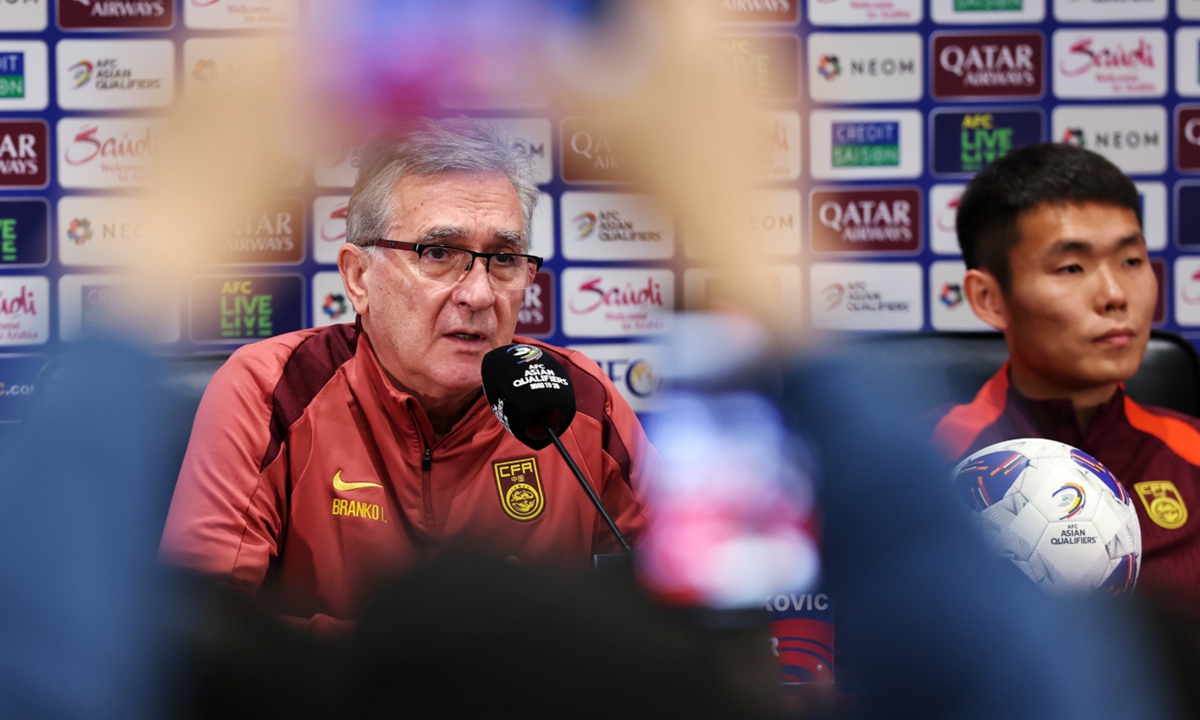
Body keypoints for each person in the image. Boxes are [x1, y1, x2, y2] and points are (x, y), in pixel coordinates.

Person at [160, 119, 653, 630]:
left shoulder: (575, 398)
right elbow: (201, 627)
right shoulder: (274, 390)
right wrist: (413, 662)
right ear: (358, 277)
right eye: (438, 253)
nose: (479, 295)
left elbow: (707, 573)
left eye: (504, 259)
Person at [929, 142, 1200, 611]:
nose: (1116, 295)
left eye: (1131, 261)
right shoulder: (920, 463)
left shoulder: (1192, 455)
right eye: (1071, 267)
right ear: (989, 298)